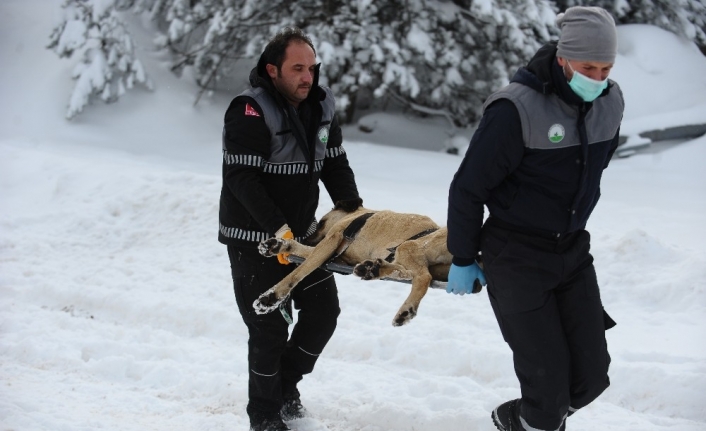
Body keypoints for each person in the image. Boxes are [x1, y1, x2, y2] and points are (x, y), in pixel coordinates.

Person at [446, 6, 623, 431]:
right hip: (517, 255)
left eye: (605, 68)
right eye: (587, 67)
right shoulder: (515, 109)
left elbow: (593, 169)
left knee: (592, 378)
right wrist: (463, 256)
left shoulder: (610, 101)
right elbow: (468, 187)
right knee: (548, 396)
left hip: (572, 251)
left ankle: (516, 419)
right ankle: (537, 419)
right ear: (563, 58)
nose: (597, 78)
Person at [218, 27, 362, 431]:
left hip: (304, 240)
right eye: (297, 69)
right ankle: (263, 416)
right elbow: (242, 180)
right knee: (268, 329)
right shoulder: (249, 110)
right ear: (272, 70)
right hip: (256, 241)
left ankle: (285, 386)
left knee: (323, 313)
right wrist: (278, 229)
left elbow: (334, 162)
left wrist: (353, 214)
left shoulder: (321, 104)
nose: (307, 78)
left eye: (312, 68)